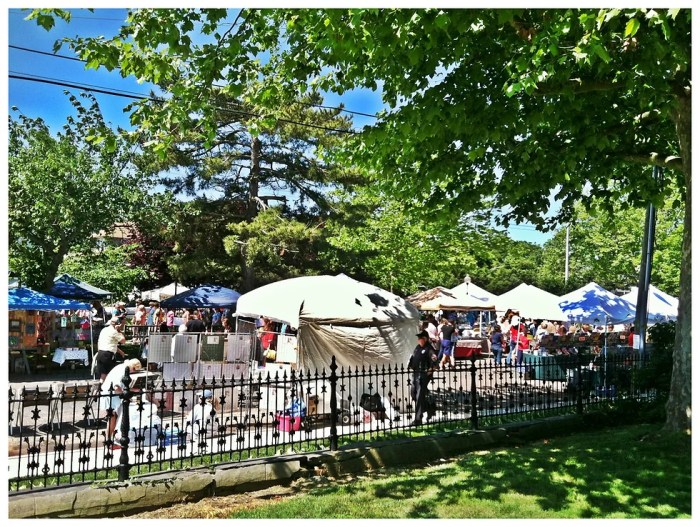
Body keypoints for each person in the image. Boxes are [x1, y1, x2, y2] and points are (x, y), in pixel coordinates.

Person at [100, 358, 143, 449]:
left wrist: (131, 390)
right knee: (112, 418)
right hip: (110, 395)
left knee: (114, 417)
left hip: (110, 394)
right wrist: (127, 393)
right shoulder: (123, 370)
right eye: (134, 370)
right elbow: (116, 388)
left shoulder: (121, 367)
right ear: (133, 368)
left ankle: (111, 439)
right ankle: (108, 440)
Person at [407, 330, 438, 426]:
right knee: (413, 393)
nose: (418, 340)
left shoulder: (429, 349)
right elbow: (413, 358)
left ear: (425, 339)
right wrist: (411, 365)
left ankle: (418, 419)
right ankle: (429, 407)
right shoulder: (418, 347)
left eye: (420, 338)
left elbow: (435, 363)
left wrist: (428, 373)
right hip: (416, 374)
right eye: (418, 338)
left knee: (419, 396)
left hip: (423, 375)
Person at [95, 316, 127, 381]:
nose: (122, 326)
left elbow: (109, 343)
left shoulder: (104, 329)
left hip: (100, 353)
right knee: (109, 375)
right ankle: (105, 389)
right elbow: (123, 341)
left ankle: (100, 388)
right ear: (118, 324)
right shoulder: (114, 332)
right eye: (122, 324)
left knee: (103, 375)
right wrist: (119, 331)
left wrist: (120, 352)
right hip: (107, 355)